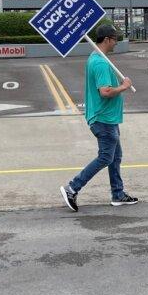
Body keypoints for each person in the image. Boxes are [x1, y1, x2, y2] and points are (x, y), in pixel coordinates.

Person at [60, 24, 138, 211]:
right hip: (103, 119)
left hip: (107, 118)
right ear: (107, 40)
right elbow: (105, 91)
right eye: (115, 38)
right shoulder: (101, 63)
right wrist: (124, 86)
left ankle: (118, 194)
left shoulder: (95, 58)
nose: (116, 42)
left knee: (115, 157)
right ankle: (72, 187)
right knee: (105, 157)